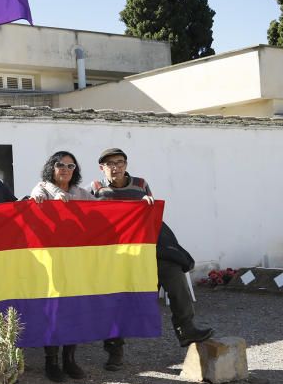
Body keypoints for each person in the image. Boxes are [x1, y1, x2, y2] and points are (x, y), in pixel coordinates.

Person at [90, 148, 213, 370]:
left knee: (176, 281)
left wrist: (148, 201)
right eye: (110, 164)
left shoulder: (140, 184)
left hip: (150, 248)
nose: (115, 167)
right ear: (102, 168)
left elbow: (152, 215)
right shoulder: (95, 188)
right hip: (118, 254)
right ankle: (114, 350)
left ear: (126, 164)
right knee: (119, 300)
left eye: (120, 162)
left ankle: (186, 329)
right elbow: (89, 218)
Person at [29, 151, 93, 382]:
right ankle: (51, 361)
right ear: (51, 167)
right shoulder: (42, 190)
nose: (65, 169)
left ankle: (70, 359)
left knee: (73, 308)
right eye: (60, 164)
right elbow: (34, 207)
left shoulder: (82, 193)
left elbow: (107, 211)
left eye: (70, 165)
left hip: (75, 261)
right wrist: (42, 202)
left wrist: (142, 205)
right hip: (51, 261)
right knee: (54, 309)